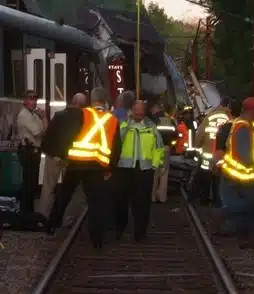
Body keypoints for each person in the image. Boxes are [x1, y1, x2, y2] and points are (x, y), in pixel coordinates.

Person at [47, 86, 119, 248]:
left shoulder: (82, 114)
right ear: (105, 100)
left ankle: (52, 226)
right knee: (95, 202)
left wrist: (63, 154)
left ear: (91, 100)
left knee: (64, 196)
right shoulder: (112, 120)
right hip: (97, 166)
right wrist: (110, 168)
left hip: (76, 162)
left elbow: (69, 134)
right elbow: (116, 147)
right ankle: (96, 239)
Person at [218, 97, 254, 249]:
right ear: (252, 110)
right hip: (244, 176)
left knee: (251, 206)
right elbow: (245, 155)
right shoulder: (242, 127)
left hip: (241, 174)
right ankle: (226, 215)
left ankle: (246, 237)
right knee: (252, 204)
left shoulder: (244, 124)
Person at [114, 97, 165, 240]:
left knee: (142, 203)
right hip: (124, 168)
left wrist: (154, 165)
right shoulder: (123, 125)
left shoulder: (151, 128)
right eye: (136, 112)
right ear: (131, 111)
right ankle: (120, 229)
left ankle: (140, 234)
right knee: (121, 201)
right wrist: (128, 123)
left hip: (144, 170)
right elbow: (116, 141)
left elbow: (159, 148)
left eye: (141, 113)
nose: (139, 116)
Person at [40, 92, 86, 225]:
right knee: (70, 189)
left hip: (54, 156)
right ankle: (68, 218)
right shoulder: (83, 118)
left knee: (48, 187)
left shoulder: (59, 115)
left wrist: (48, 151)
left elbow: (49, 134)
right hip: (71, 158)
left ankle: (43, 217)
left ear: (72, 101)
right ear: (83, 105)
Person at [11, 89, 45, 217]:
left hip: (34, 151)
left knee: (32, 183)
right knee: (28, 183)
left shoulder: (34, 115)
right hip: (28, 151)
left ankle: (29, 211)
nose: (33, 102)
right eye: (30, 99)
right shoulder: (24, 115)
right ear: (25, 101)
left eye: (35, 99)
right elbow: (39, 132)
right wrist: (44, 118)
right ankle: (25, 212)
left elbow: (44, 132)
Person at [148, 100, 174, 203]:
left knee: (155, 173)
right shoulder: (168, 119)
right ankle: (162, 197)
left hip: (155, 148)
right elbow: (175, 133)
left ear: (155, 108)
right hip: (167, 148)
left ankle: (153, 197)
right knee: (164, 174)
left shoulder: (152, 119)